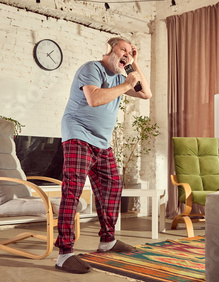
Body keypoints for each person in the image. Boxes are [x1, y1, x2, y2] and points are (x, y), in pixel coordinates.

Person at [54, 37, 152, 274]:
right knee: (73, 190)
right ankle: (64, 253)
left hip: (101, 142)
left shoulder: (122, 78)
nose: (126, 55)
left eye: (130, 52)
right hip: (78, 134)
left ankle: (107, 241)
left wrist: (135, 64)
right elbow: (94, 99)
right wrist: (127, 83)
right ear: (109, 50)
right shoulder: (92, 68)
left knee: (112, 186)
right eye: (123, 50)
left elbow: (146, 94)